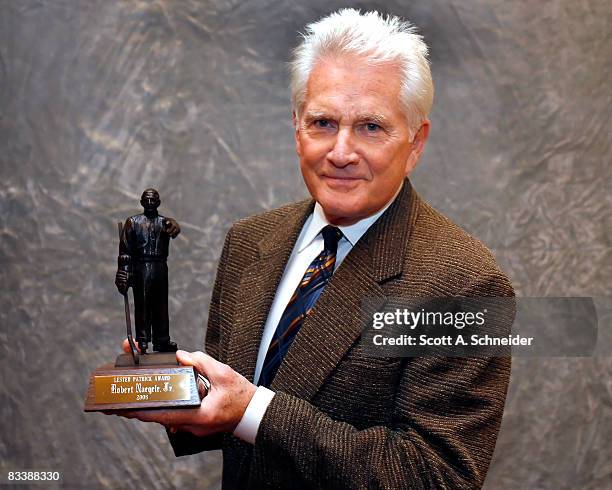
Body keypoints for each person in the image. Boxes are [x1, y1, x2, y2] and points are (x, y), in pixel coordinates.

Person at [116, 9, 514, 488]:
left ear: (415, 142)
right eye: (323, 122)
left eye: (371, 127)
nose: (341, 153)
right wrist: (180, 396)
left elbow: (434, 476)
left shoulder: (466, 284)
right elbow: (233, 416)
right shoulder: (250, 241)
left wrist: (252, 410)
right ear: (295, 126)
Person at [115, 188, 181, 353]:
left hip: (160, 266)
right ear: (142, 202)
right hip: (141, 267)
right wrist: (124, 271)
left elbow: (174, 229)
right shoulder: (133, 222)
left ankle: (161, 340)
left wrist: (174, 224)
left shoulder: (164, 223)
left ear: (158, 202)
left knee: (161, 304)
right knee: (142, 304)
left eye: (153, 200)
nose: (150, 203)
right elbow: (125, 250)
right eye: (147, 200)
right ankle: (142, 340)